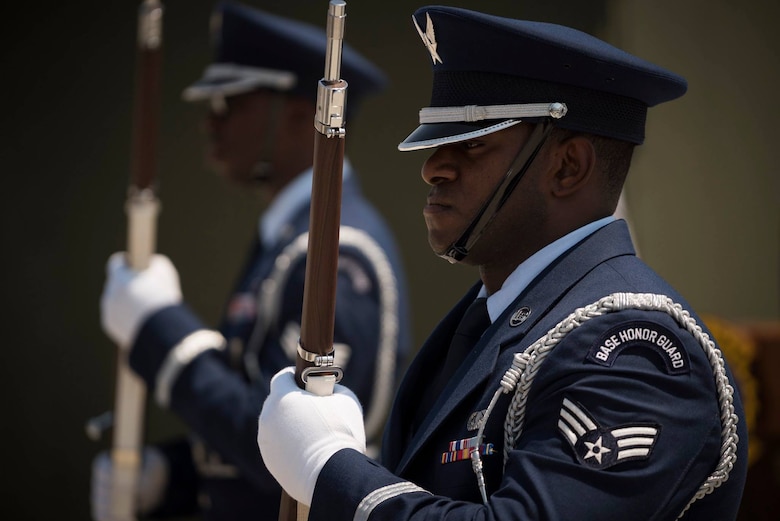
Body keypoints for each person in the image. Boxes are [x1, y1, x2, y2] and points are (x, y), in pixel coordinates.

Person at [257, 5, 748, 520]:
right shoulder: (501, 317)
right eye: (439, 141)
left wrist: (332, 468)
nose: (432, 167)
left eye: (471, 143)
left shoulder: (634, 353)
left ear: (567, 166)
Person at [91, 2, 411, 520]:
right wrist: (170, 475)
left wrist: (161, 329)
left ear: (293, 114)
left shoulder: (342, 251)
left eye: (228, 103)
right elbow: (249, 420)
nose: (208, 123)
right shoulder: (286, 239)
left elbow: (292, 448)